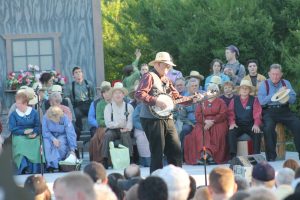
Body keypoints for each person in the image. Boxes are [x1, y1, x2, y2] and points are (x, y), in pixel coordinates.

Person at [135, 51, 194, 173]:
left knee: (175, 149)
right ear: (157, 64)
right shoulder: (149, 76)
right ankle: (156, 183)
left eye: (169, 65)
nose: (168, 67)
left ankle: (177, 178)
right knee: (157, 152)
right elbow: (139, 93)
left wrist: (194, 98)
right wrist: (155, 101)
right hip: (151, 118)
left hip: (167, 117)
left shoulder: (167, 80)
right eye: (165, 65)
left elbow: (177, 99)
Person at [257, 63, 300, 161]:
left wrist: (286, 97)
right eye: (273, 74)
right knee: (268, 129)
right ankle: (271, 157)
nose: (275, 76)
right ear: (269, 74)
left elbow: (293, 99)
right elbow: (261, 101)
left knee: (298, 125)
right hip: (269, 111)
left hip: (284, 110)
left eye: (277, 74)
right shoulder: (265, 84)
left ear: (281, 74)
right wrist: (277, 94)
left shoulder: (286, 83)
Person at [184, 84, 229, 165]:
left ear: (217, 92)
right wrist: (205, 121)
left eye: (214, 90)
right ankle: (204, 154)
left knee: (218, 132)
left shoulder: (221, 102)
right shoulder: (202, 102)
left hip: (218, 122)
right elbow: (198, 115)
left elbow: (223, 114)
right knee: (199, 132)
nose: (212, 92)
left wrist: (212, 121)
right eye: (210, 90)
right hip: (203, 122)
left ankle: (210, 155)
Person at [8, 92, 43, 174]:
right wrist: (24, 131)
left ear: (25, 103)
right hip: (19, 134)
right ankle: (24, 166)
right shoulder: (14, 114)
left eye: (19, 103)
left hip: (32, 134)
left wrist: (35, 133)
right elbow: (12, 128)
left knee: (37, 142)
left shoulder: (34, 112)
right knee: (20, 142)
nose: (16, 105)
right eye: (16, 103)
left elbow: (38, 126)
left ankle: (34, 169)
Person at [101, 82, 134, 169]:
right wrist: (118, 125)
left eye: (120, 93)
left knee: (125, 135)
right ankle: (105, 159)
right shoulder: (108, 107)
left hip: (125, 129)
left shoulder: (129, 107)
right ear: (112, 95)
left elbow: (130, 121)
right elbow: (108, 123)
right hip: (113, 129)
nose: (118, 95)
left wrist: (127, 128)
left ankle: (129, 158)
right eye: (116, 93)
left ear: (123, 95)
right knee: (107, 135)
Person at [228, 79, 262, 160]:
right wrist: (232, 123)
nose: (244, 90)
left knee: (257, 132)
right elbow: (230, 113)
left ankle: (256, 156)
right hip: (238, 124)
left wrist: (256, 124)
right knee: (231, 132)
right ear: (239, 90)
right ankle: (233, 156)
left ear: (249, 90)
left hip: (251, 124)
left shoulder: (254, 99)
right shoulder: (234, 100)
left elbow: (257, 113)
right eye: (242, 88)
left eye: (246, 88)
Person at [42, 106, 77, 171]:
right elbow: (45, 131)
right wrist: (53, 139)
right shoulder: (45, 117)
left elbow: (70, 133)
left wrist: (72, 149)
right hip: (49, 136)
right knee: (47, 144)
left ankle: (60, 164)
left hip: (62, 135)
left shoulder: (65, 118)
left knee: (61, 143)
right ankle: (51, 164)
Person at [68, 66, 95, 139]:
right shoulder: (71, 86)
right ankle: (78, 133)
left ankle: (93, 131)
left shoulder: (89, 84)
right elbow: (68, 98)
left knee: (94, 113)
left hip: (88, 104)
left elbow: (93, 95)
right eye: (76, 72)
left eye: (80, 72)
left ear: (82, 73)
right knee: (76, 114)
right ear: (73, 75)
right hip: (78, 105)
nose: (78, 74)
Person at [89, 81, 112, 162]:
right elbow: (91, 119)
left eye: (108, 91)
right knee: (94, 140)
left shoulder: (115, 102)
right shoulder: (96, 103)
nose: (106, 94)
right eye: (103, 92)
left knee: (104, 136)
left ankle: (106, 160)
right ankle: (99, 160)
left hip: (114, 126)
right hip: (99, 126)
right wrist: (105, 124)